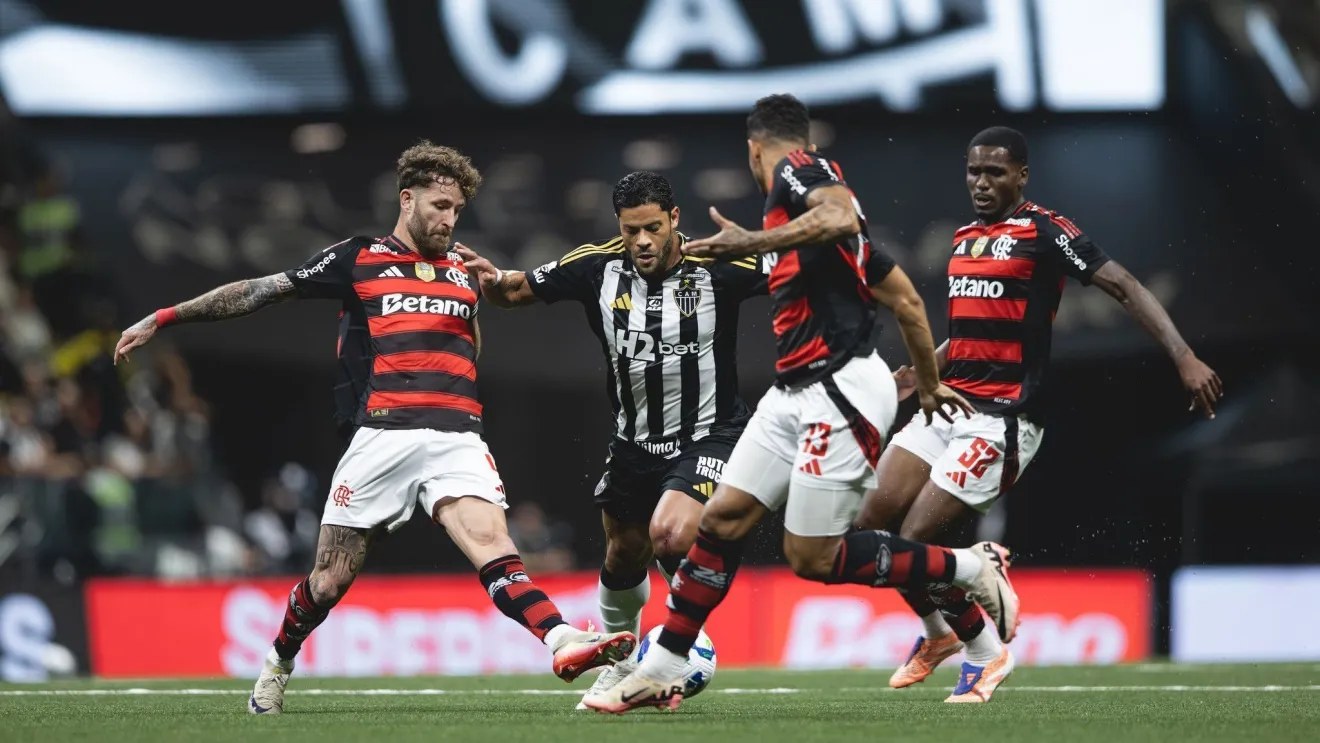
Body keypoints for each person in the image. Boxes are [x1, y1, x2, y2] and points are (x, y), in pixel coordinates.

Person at [112, 141, 635, 715]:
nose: (448, 219)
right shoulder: (358, 259)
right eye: (439, 206)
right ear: (407, 199)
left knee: (494, 546)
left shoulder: (464, 268)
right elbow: (261, 291)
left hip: (456, 435)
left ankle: (562, 641)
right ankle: (278, 663)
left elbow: (469, 347)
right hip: (384, 436)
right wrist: (165, 316)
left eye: (457, 210)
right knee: (329, 582)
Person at [583, 94, 1013, 714]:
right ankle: (663, 664)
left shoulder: (800, 174)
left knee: (813, 558)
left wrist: (752, 240)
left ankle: (969, 567)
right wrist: (927, 380)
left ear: (755, 149)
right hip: (792, 392)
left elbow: (836, 215)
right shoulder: (826, 234)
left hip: (836, 389)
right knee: (720, 519)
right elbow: (908, 301)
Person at [460, 171, 902, 708]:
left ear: (673, 220)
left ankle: (680, 645)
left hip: (710, 433)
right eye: (630, 231)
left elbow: (803, 270)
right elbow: (518, 289)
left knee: (669, 533)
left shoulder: (720, 264)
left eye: (651, 228)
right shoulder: (595, 266)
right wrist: (492, 280)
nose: (642, 241)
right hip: (633, 441)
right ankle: (619, 664)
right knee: (624, 554)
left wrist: (860, 273)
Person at [854, 126, 1224, 703]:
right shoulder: (963, 237)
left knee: (916, 537)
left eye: (995, 172)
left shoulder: (1046, 231)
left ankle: (983, 646)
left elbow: (1123, 285)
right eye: (974, 171)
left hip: (1003, 418)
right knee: (866, 525)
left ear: (1021, 176)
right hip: (947, 404)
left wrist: (1183, 355)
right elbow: (969, 330)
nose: (981, 182)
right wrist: (920, 374)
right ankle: (937, 634)